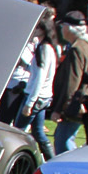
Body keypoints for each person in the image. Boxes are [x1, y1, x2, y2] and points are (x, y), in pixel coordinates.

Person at [51, 11, 88, 155]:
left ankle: (68, 171)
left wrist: (59, 109)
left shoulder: (77, 49)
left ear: (69, 28)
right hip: (83, 101)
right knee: (65, 138)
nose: (60, 30)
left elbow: (72, 81)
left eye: (62, 26)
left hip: (74, 103)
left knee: (63, 141)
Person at [18, 21, 57, 159]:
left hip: (36, 96)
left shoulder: (44, 49)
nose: (34, 30)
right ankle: (51, 160)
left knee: (18, 131)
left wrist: (30, 103)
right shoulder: (47, 47)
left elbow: (40, 76)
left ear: (42, 30)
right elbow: (36, 72)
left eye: (36, 28)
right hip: (43, 96)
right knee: (38, 132)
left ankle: (21, 160)